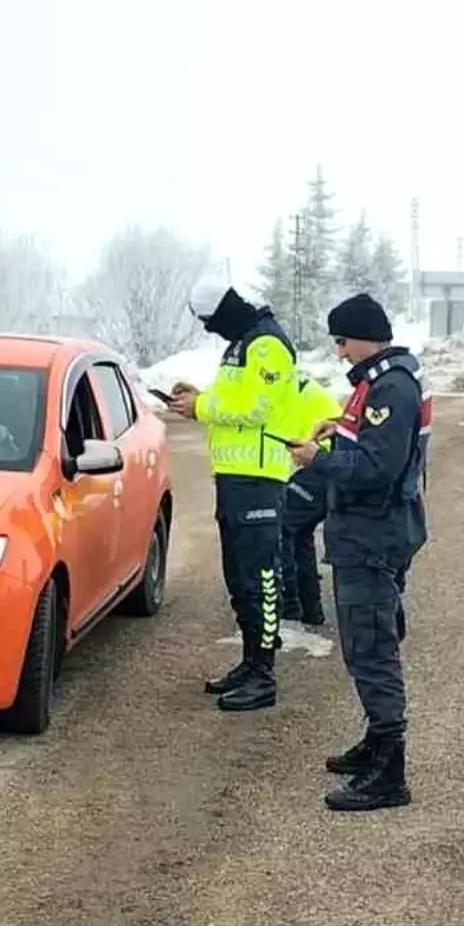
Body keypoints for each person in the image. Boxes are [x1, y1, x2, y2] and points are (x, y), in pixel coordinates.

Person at [290, 292, 427, 812]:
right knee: (366, 643)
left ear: (366, 336)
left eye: (343, 341)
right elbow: (370, 448)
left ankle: (390, 772)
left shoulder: (391, 386)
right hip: (368, 533)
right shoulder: (379, 381)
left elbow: (378, 470)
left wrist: (316, 462)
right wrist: (339, 434)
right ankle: (377, 741)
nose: (340, 351)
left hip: (372, 538)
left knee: (372, 650)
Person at [169, 273, 299, 712]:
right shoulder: (242, 343)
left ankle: (264, 673)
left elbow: (257, 408)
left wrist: (202, 407)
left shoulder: (266, 345)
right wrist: (200, 397)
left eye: (210, 320)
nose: (208, 329)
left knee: (260, 578)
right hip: (235, 477)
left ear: (225, 310)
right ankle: (250, 661)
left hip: (260, 479)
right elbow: (235, 399)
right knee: (238, 579)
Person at [281, 372, 341, 627]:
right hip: (324, 468)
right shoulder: (298, 384)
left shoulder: (276, 385)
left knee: (283, 528)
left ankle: (291, 606)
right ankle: (310, 610)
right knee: (299, 534)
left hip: (317, 467)